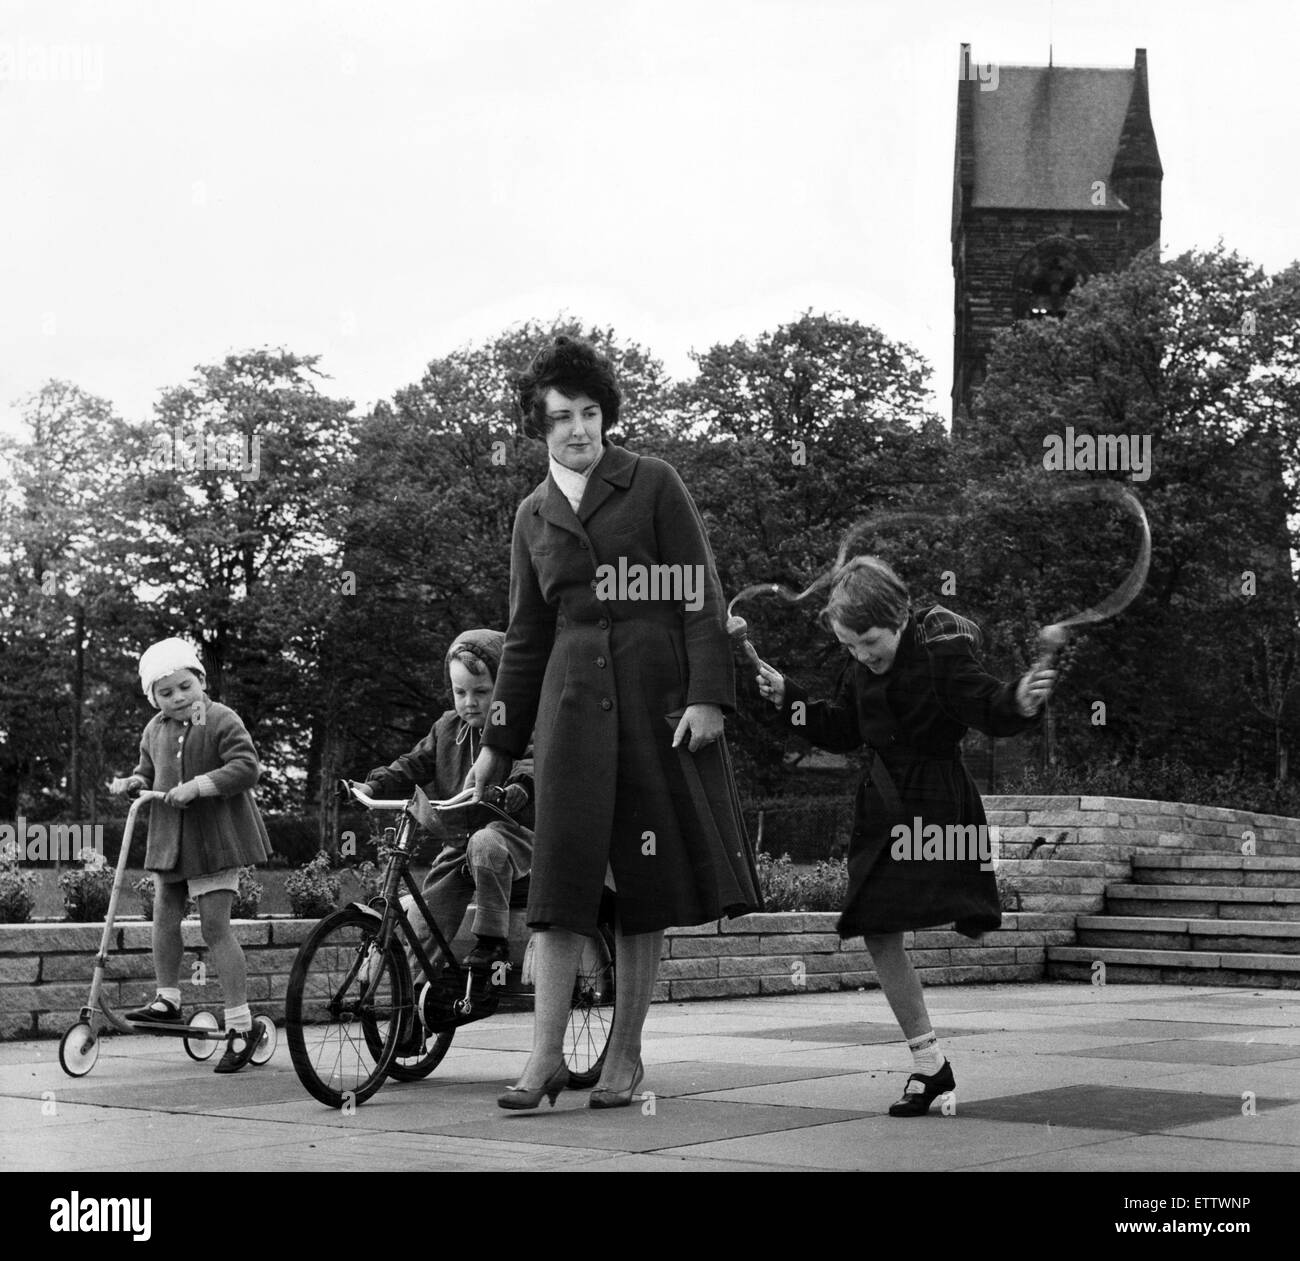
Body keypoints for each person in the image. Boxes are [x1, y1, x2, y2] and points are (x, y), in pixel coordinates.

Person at [471, 334, 761, 1110]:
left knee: (643, 880)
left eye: (590, 412)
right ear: (541, 427)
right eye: (561, 416)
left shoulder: (654, 482)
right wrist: (499, 740)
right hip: (568, 712)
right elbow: (526, 634)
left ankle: (624, 1056)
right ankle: (542, 1060)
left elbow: (700, 592)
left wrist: (707, 693)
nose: (578, 428)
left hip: (651, 700)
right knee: (559, 881)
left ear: (607, 416)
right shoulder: (532, 513)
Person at [753, 557, 1056, 1115]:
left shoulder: (941, 652)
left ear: (898, 618)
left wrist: (1018, 701)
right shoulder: (859, 666)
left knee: (953, 915)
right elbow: (843, 727)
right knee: (875, 926)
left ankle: (934, 1063)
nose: (862, 656)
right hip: (884, 803)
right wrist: (789, 698)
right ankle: (929, 1066)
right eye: (849, 646)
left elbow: (984, 701)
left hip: (939, 806)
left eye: (869, 641)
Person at [110, 637, 272, 1073]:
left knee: (215, 926)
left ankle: (240, 1022)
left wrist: (199, 785)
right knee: (164, 916)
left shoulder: (220, 718)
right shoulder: (154, 729)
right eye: (166, 693)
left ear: (200, 680)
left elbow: (246, 767)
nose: (178, 698)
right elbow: (149, 771)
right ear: (153, 697)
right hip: (171, 841)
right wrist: (132, 781)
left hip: (215, 839)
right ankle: (168, 999)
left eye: (185, 686)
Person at [360, 629, 534, 1005]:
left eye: (481, 692)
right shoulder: (446, 729)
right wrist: (375, 785)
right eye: (460, 692)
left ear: (503, 689)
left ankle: (491, 944)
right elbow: (412, 764)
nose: (469, 702)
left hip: (516, 838)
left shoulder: (519, 725)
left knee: (486, 843)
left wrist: (517, 787)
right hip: (460, 843)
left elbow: (532, 761)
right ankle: (413, 1006)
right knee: (426, 920)